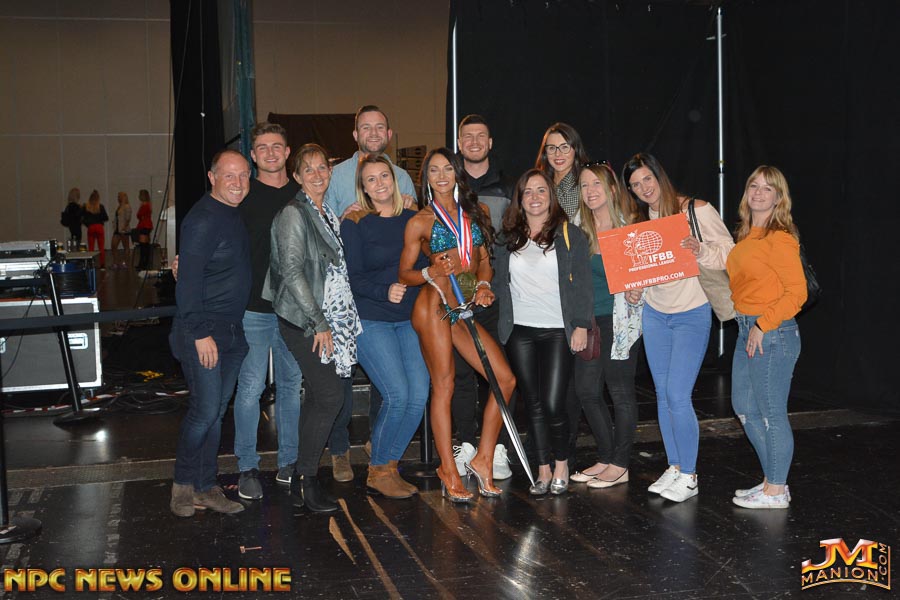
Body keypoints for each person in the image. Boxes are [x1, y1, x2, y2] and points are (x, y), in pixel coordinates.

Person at [398, 147, 515, 503]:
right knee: (445, 384)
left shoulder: (477, 213)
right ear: (426, 179)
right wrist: (429, 271)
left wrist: (483, 284)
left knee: (505, 380)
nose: (441, 176)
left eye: (447, 168)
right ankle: (448, 469)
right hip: (434, 303)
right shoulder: (420, 221)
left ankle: (483, 459)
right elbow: (404, 273)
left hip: (463, 306)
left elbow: (484, 261)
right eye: (433, 170)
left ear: (457, 173)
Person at [622, 152, 734, 503]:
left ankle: (690, 474)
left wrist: (700, 250)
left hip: (692, 313)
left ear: (660, 175)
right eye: (635, 185)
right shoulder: (640, 221)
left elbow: (730, 252)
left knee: (677, 395)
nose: (644, 188)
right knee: (662, 394)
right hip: (656, 314)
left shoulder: (696, 210)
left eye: (647, 179)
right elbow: (642, 271)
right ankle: (675, 466)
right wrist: (635, 289)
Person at [264, 143, 362, 513]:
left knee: (321, 398)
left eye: (323, 167)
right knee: (330, 396)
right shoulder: (294, 213)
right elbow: (291, 272)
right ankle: (307, 480)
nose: (317, 175)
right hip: (306, 321)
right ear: (296, 176)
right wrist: (319, 322)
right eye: (309, 169)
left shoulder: (326, 212)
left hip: (329, 319)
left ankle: (299, 479)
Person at [323, 105, 417, 481]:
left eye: (380, 127)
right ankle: (344, 453)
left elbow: (418, 252)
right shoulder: (336, 180)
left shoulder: (406, 187)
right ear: (355, 134)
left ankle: (381, 454)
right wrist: (346, 220)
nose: (380, 183)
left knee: (407, 394)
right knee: (349, 382)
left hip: (404, 314)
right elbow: (334, 249)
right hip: (356, 304)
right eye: (366, 127)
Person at [494, 169, 592, 496]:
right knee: (533, 403)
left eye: (541, 191)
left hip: (557, 330)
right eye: (528, 192)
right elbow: (496, 281)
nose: (534, 197)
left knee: (552, 403)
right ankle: (543, 469)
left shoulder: (570, 234)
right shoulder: (506, 238)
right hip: (519, 331)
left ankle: (562, 463)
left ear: (551, 196)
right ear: (519, 199)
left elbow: (583, 284)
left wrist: (581, 324)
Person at [169, 150, 252, 518]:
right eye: (229, 175)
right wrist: (201, 333)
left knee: (215, 414)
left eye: (243, 175)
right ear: (212, 177)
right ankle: (182, 486)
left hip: (231, 332)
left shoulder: (233, 214)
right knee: (204, 413)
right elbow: (187, 283)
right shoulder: (203, 219)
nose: (237, 182)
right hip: (204, 332)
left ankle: (205, 487)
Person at [342, 154, 429, 498]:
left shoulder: (413, 219)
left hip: (409, 319)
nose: (379, 184)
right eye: (371, 179)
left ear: (394, 180)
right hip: (372, 318)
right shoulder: (355, 222)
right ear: (363, 188)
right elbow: (351, 277)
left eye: (384, 176)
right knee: (397, 395)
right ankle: (378, 469)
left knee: (418, 395)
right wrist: (384, 290)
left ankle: (388, 464)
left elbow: (427, 265)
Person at [727, 166, 806, 509]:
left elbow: (797, 293)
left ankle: (776, 490)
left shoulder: (780, 238)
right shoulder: (747, 236)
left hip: (772, 332)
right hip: (747, 329)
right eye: (753, 186)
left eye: (767, 188)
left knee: (772, 413)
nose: (758, 193)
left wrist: (763, 325)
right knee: (744, 408)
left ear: (778, 198)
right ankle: (772, 480)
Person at [233, 122, 304, 500]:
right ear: (253, 154)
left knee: (292, 386)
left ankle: (289, 462)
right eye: (263, 147)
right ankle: (247, 466)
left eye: (277, 146)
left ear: (287, 152)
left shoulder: (303, 193)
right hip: (254, 310)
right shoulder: (242, 194)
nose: (271, 153)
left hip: (294, 311)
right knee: (250, 388)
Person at [571, 163, 644, 488]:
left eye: (596, 184)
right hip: (589, 322)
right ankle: (605, 457)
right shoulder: (577, 229)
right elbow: (572, 282)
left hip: (621, 321)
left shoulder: (630, 229)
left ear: (612, 189)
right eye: (585, 185)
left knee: (620, 392)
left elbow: (646, 276)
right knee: (587, 391)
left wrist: (638, 288)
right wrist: (578, 321)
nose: (590, 191)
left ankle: (620, 464)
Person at [452, 114, 515, 479]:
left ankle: (499, 448)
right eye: (467, 136)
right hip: (456, 295)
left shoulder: (507, 187)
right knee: (461, 373)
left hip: (496, 294)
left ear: (490, 143)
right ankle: (466, 444)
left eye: (481, 136)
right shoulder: (448, 183)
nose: (474, 141)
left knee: (499, 372)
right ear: (459, 143)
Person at [535, 123, 589, 221]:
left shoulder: (586, 184)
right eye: (552, 148)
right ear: (545, 153)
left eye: (564, 147)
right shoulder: (538, 184)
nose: (557, 154)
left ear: (576, 150)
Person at [82, 190, 109, 268]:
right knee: (101, 247)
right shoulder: (100, 207)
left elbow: (82, 218)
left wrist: (88, 224)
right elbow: (106, 218)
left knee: (91, 247)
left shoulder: (86, 207)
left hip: (91, 227)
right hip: (99, 227)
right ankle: (102, 265)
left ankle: (91, 264)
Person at [109, 192, 132, 269]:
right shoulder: (119, 206)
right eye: (118, 196)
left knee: (126, 247)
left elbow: (128, 218)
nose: (118, 197)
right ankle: (115, 262)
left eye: (119, 196)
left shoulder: (127, 206)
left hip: (123, 230)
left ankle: (125, 263)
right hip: (117, 229)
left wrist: (124, 227)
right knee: (113, 246)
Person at [135, 189, 153, 271]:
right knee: (146, 245)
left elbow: (139, 215)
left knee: (143, 246)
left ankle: (142, 264)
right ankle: (145, 263)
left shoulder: (144, 205)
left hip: (144, 226)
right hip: (147, 225)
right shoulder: (148, 205)